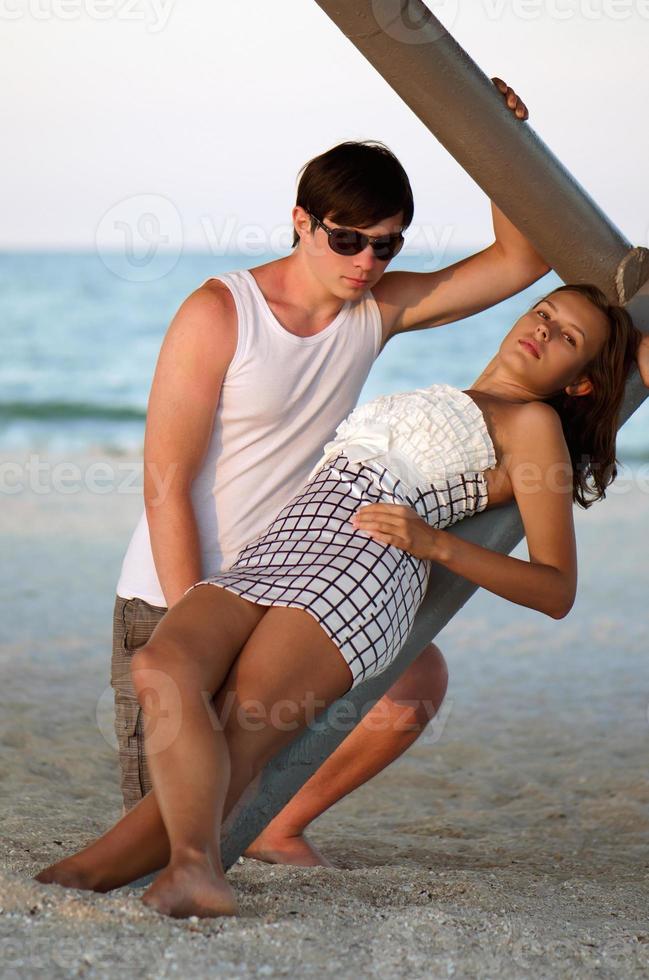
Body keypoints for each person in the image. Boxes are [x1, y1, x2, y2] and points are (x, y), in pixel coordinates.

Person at [36, 283, 646, 920]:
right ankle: (190, 866)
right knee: (161, 667)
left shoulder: (534, 424)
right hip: (284, 545)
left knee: (243, 729)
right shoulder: (452, 396)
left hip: (361, 571)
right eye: (544, 313)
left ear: (579, 382)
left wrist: (434, 544)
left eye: (568, 338)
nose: (544, 330)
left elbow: (556, 588)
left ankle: (112, 871)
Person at [110, 79, 550, 869]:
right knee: (155, 838)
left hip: (297, 585)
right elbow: (164, 486)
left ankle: (283, 823)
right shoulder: (218, 313)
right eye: (347, 239)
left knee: (415, 683)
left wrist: (499, 145)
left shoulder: (373, 310)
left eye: (386, 244)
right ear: (301, 222)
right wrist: (191, 626)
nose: (366, 261)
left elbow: (521, 257)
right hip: (182, 593)